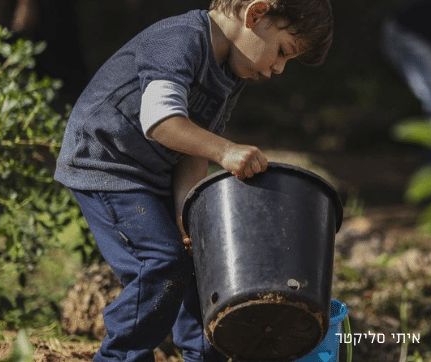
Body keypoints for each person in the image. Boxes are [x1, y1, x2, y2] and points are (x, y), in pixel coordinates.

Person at [53, 0, 333, 360]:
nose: (277, 69)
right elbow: (161, 121)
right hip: (108, 164)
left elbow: (195, 145)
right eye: (282, 52)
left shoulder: (230, 73)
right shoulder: (181, 40)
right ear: (255, 14)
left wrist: (188, 214)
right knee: (160, 263)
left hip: (153, 174)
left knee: (201, 260)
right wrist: (226, 150)